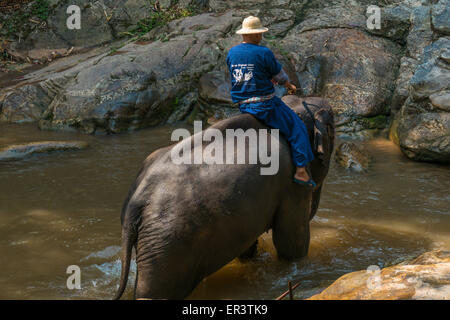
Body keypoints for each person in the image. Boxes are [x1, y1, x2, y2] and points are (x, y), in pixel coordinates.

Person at [226, 16, 316, 187]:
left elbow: (245, 76)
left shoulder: (232, 53)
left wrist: (266, 78)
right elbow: (280, 75)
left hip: (243, 105)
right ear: (258, 35)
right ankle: (301, 171)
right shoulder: (263, 52)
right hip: (265, 105)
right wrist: (288, 85)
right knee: (297, 128)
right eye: (260, 33)